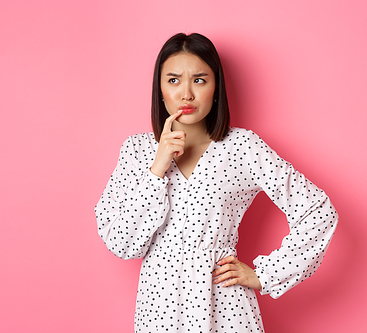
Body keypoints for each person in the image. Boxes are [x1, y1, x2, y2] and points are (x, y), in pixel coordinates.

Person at [95, 32, 338, 332]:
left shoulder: (243, 147)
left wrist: (266, 274)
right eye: (173, 80)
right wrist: (157, 168)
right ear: (159, 89)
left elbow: (317, 211)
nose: (186, 94)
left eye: (199, 80)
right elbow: (120, 242)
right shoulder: (137, 151)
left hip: (225, 307)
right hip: (159, 310)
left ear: (216, 88)